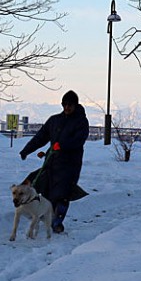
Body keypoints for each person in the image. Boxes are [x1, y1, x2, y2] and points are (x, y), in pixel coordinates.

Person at [19, 90, 89, 233]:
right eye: (65, 104)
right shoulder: (54, 120)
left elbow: (79, 140)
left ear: (75, 105)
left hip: (70, 164)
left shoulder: (81, 121)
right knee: (40, 185)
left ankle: (57, 222)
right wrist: (26, 150)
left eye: (70, 104)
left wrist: (62, 145)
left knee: (62, 193)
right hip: (52, 162)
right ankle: (43, 215)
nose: (67, 107)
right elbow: (40, 137)